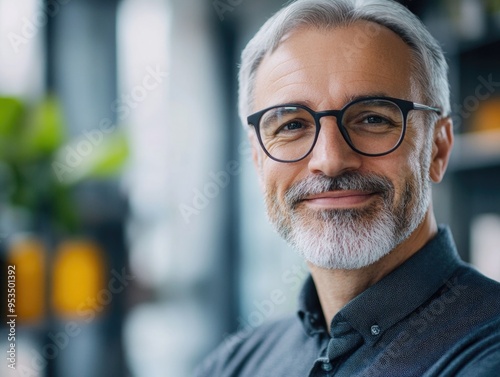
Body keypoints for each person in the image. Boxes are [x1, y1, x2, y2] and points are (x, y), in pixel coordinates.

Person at [196, 0, 500, 376]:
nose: (330, 159)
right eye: (291, 125)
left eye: (372, 119)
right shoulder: (232, 364)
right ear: (259, 161)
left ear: (438, 148)